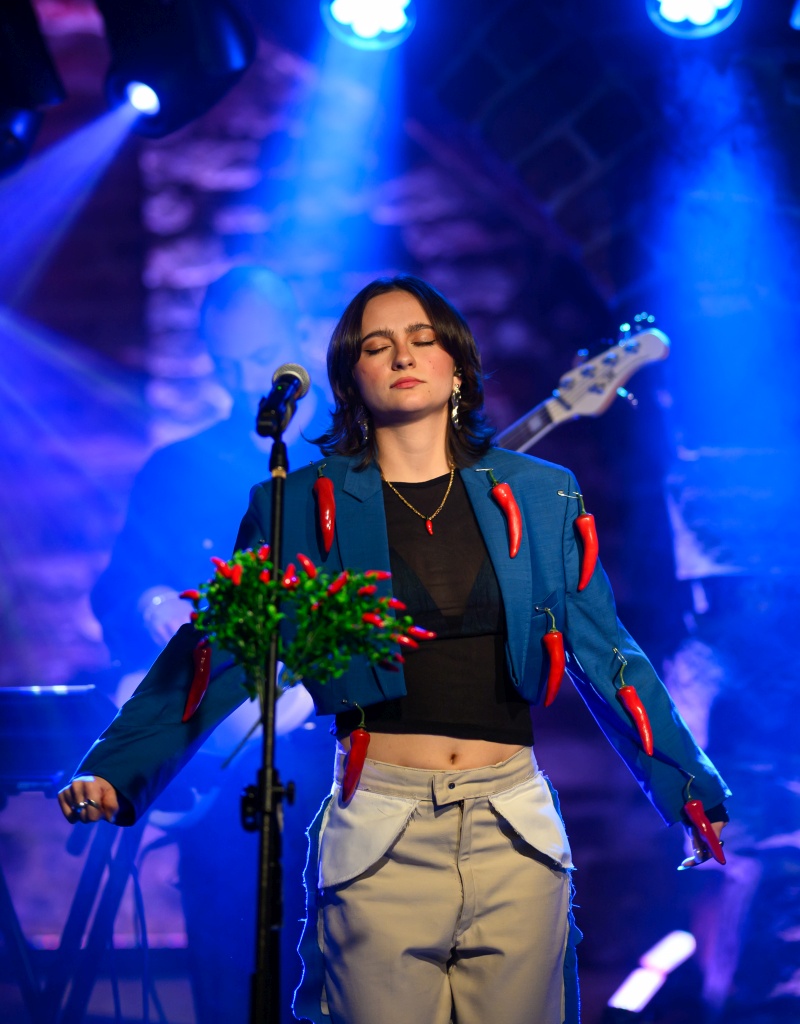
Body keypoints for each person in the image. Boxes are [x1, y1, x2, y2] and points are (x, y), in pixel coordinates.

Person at [59, 275, 730, 1024]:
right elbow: (219, 647)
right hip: (378, 822)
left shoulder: (542, 493)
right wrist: (118, 766)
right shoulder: (295, 503)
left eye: (422, 339)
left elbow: (607, 652)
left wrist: (688, 785)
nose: (403, 356)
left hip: (514, 821)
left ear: (457, 365)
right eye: (377, 346)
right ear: (351, 377)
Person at [90, 265, 333, 1024]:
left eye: (257, 355)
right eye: (225, 362)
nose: (243, 379)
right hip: (223, 766)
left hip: (342, 757)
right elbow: (118, 583)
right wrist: (150, 600)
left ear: (296, 337)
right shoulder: (179, 468)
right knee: (228, 964)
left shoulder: (361, 454)